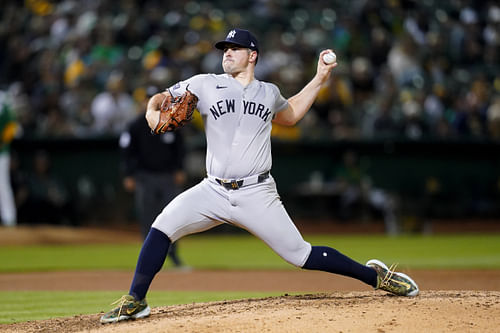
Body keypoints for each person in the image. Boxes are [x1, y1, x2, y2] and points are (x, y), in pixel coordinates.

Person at [100, 28, 419, 324]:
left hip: (257, 193)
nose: (227, 53)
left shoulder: (268, 92)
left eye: (235, 49)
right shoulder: (204, 83)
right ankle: (135, 300)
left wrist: (320, 78)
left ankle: (376, 277)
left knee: (301, 255)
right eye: (225, 49)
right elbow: (159, 98)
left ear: (253, 55)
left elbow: (290, 114)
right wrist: (152, 112)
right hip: (212, 190)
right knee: (161, 227)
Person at [119, 86, 187, 268]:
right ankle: (148, 260)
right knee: (147, 218)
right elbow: (127, 152)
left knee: (173, 217)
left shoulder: (171, 122)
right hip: (145, 177)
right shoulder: (135, 125)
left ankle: (174, 257)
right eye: (147, 98)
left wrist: (179, 169)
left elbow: (180, 150)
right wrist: (128, 175)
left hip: (167, 177)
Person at [0, 91, 17, 227]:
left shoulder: (2, 98)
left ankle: (9, 218)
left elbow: (11, 126)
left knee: (2, 183)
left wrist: (3, 141)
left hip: (1, 152)